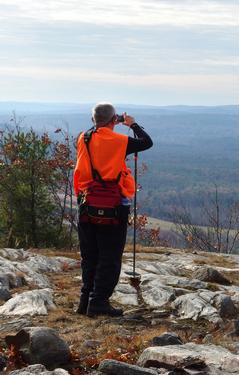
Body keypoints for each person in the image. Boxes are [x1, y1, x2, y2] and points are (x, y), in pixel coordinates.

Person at [73, 102, 153, 317]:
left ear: (93, 120)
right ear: (113, 120)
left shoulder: (84, 138)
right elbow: (146, 142)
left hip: (86, 202)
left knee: (90, 256)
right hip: (114, 205)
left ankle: (85, 301)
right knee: (110, 256)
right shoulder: (119, 141)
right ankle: (98, 302)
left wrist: (106, 122)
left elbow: (94, 135)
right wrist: (132, 124)